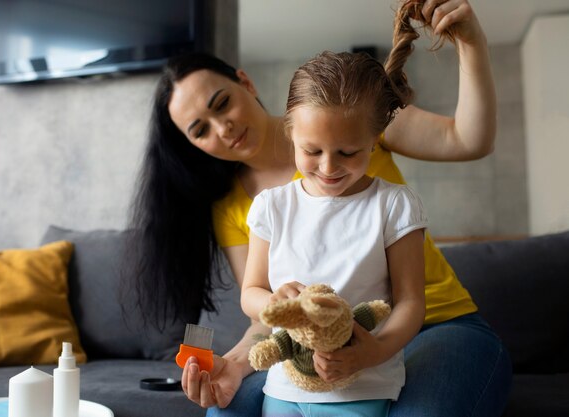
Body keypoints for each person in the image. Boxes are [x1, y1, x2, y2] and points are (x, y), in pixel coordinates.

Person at [124, 0, 512, 416]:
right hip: (314, 349)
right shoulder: (239, 206)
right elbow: (266, 312)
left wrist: (471, 43)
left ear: (245, 82)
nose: (224, 128)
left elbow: (470, 140)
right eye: (200, 129)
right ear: (193, 145)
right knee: (225, 411)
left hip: (438, 325)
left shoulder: (350, 117)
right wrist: (233, 365)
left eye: (221, 103)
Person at [240, 39, 431, 414]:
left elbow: (411, 302)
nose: (328, 167)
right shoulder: (271, 206)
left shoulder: (393, 204)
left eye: (348, 152)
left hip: (363, 387)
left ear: (374, 141)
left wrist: (372, 351)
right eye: (312, 151)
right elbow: (251, 291)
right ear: (291, 133)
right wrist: (274, 301)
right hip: (285, 385)